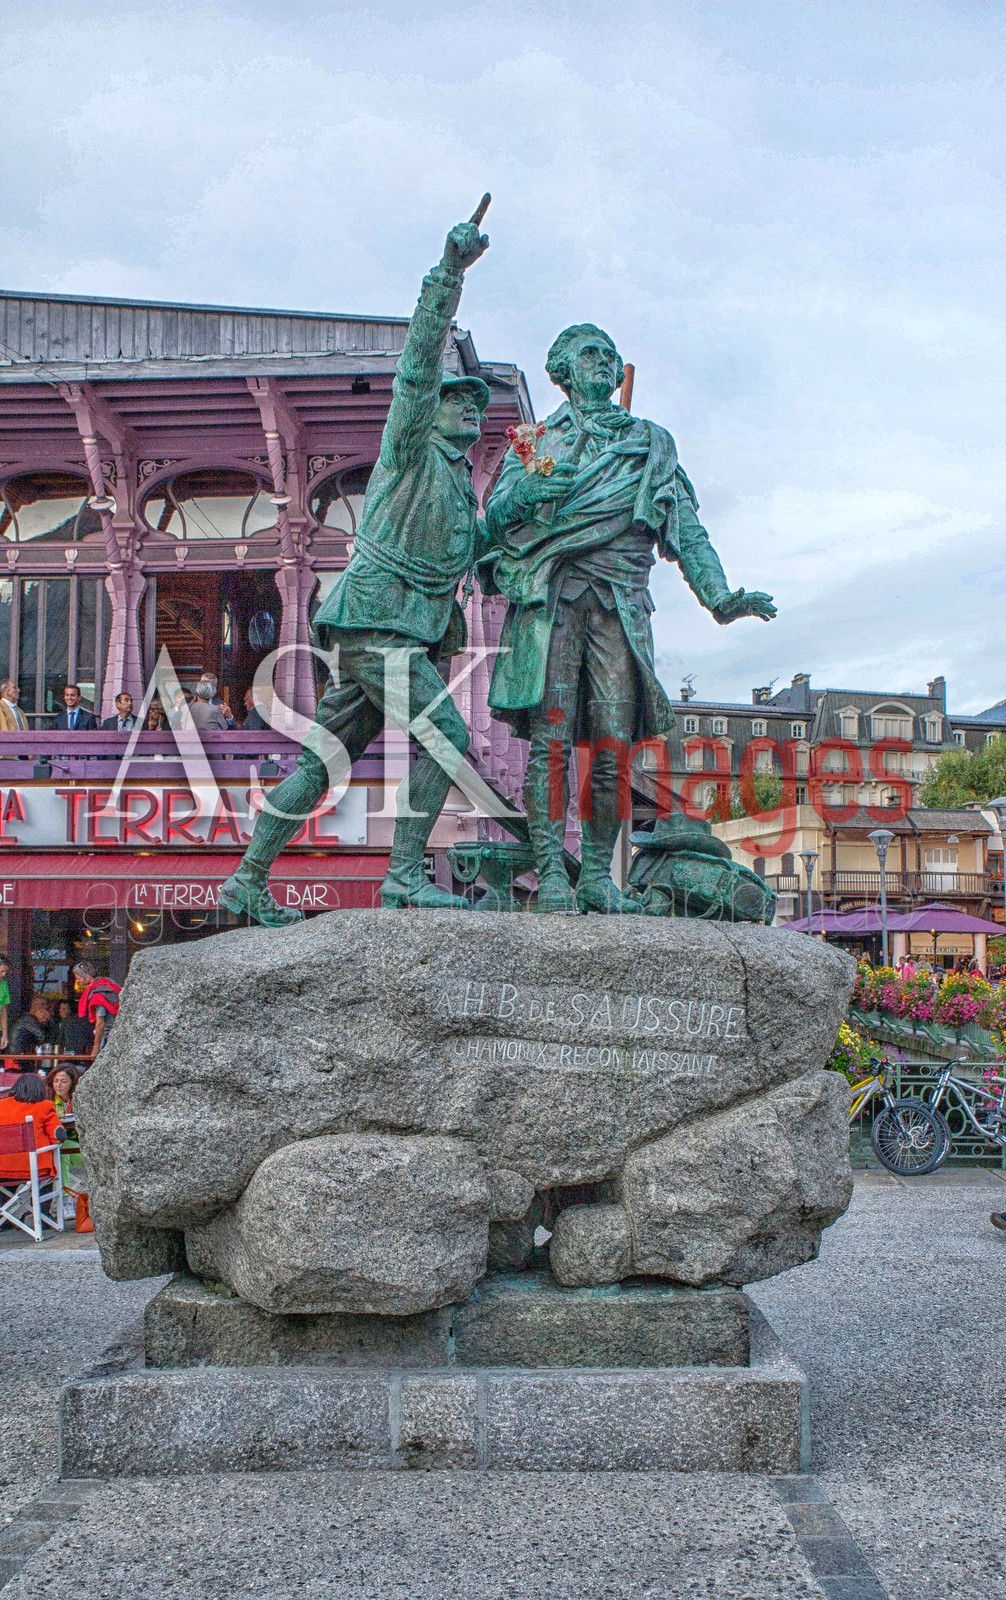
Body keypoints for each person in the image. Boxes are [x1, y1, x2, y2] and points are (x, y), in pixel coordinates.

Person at [219, 209, 492, 925]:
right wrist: (448, 276)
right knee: (446, 737)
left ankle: (246, 879)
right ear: (431, 413)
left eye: (477, 406)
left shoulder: (460, 489)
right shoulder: (409, 449)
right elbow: (418, 364)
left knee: (324, 762)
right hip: (378, 624)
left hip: (390, 630)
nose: (470, 411)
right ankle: (403, 878)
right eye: (458, 402)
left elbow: (482, 556)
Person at [482, 324, 776, 913]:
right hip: (553, 601)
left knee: (613, 748)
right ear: (563, 371)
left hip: (620, 605)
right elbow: (495, 519)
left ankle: (596, 875)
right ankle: (552, 874)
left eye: (610, 356)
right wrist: (527, 496)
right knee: (550, 743)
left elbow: (685, 528)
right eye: (589, 353)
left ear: (619, 374)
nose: (603, 362)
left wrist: (720, 597)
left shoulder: (651, 444)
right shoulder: (536, 442)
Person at [0, 1073, 66, 1189]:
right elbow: (57, 1137)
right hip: (34, 1168)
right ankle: (41, 1202)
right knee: (45, 1186)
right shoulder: (45, 1106)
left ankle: (8, 1202)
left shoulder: (1, 1105)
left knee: (7, 1192)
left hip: (3, 1168)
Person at [72, 963, 121, 1058]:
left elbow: (100, 1023)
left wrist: (96, 1047)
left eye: (79, 978)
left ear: (87, 977)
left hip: (108, 1038)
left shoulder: (98, 994)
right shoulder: (110, 984)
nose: (78, 981)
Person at [7, 996, 52, 1066]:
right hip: (17, 1058)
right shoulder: (28, 1019)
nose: (46, 1007)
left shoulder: (28, 1018)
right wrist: (47, 1020)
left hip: (17, 1056)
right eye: (43, 1004)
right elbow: (42, 1037)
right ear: (34, 1006)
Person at [0, 957, 9, 1051]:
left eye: (6, 971)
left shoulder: (3, 985)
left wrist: (4, 1034)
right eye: (2, 971)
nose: (4, 974)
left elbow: (3, 1010)